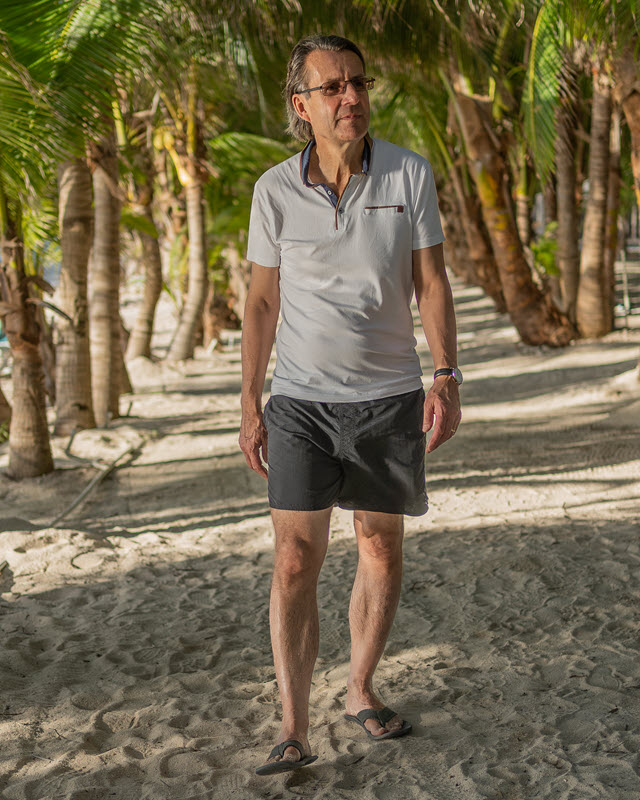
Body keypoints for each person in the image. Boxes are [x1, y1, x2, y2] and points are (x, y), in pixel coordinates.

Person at [239, 33, 462, 776]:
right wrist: (249, 400)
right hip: (300, 401)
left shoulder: (410, 173)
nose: (351, 98)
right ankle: (293, 723)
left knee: (378, 548)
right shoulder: (273, 190)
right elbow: (263, 302)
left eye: (359, 83)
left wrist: (447, 375)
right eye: (332, 88)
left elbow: (431, 282)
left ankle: (360, 688)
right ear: (301, 106)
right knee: (296, 560)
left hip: (388, 396)